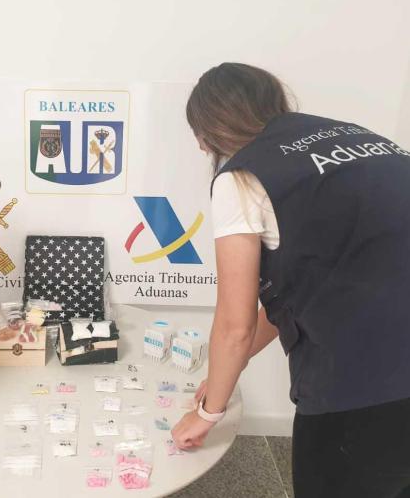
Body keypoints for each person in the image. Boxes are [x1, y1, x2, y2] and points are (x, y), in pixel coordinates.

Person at [171, 62, 410, 497]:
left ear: (209, 130)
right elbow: (306, 289)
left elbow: (235, 324)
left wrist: (207, 413)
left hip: (363, 388)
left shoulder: (243, 177)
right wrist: (229, 369)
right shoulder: (361, 139)